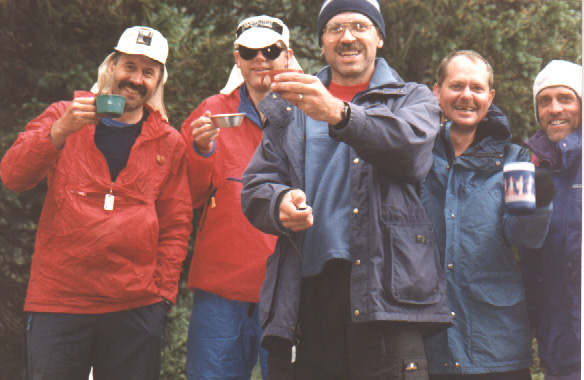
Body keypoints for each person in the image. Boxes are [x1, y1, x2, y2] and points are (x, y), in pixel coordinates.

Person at [241, 1, 452, 379]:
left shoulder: (413, 98)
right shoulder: (291, 105)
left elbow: (411, 153)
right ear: (321, 43)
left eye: (360, 26)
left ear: (379, 38)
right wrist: (278, 202)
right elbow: (256, 184)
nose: (348, 37)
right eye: (335, 29)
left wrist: (340, 114)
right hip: (305, 294)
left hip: (387, 291)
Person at [0, 26, 193, 380]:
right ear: (110, 67)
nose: (135, 80)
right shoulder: (63, 114)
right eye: (129, 67)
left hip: (135, 306)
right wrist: (59, 131)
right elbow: (13, 176)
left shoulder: (169, 141)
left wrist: (161, 293)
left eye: (148, 72)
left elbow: (177, 224)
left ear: (158, 81)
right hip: (59, 300)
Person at [420, 50, 554, 379]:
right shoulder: (414, 156)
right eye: (456, 86)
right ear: (436, 92)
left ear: (490, 97)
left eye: (477, 88)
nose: (467, 96)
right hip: (426, 344)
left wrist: (540, 202)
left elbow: (525, 237)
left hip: (495, 343)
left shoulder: (515, 159)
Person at [180, 15, 298, 380]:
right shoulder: (210, 111)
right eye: (249, 51)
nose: (260, 58)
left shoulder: (311, 111)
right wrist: (200, 150)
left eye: (270, 50)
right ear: (237, 58)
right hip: (221, 290)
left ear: (287, 55)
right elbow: (185, 196)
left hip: (288, 291)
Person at [519, 60, 581, 380]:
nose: (554, 108)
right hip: (557, 344)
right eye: (545, 101)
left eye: (565, 98)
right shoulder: (531, 166)